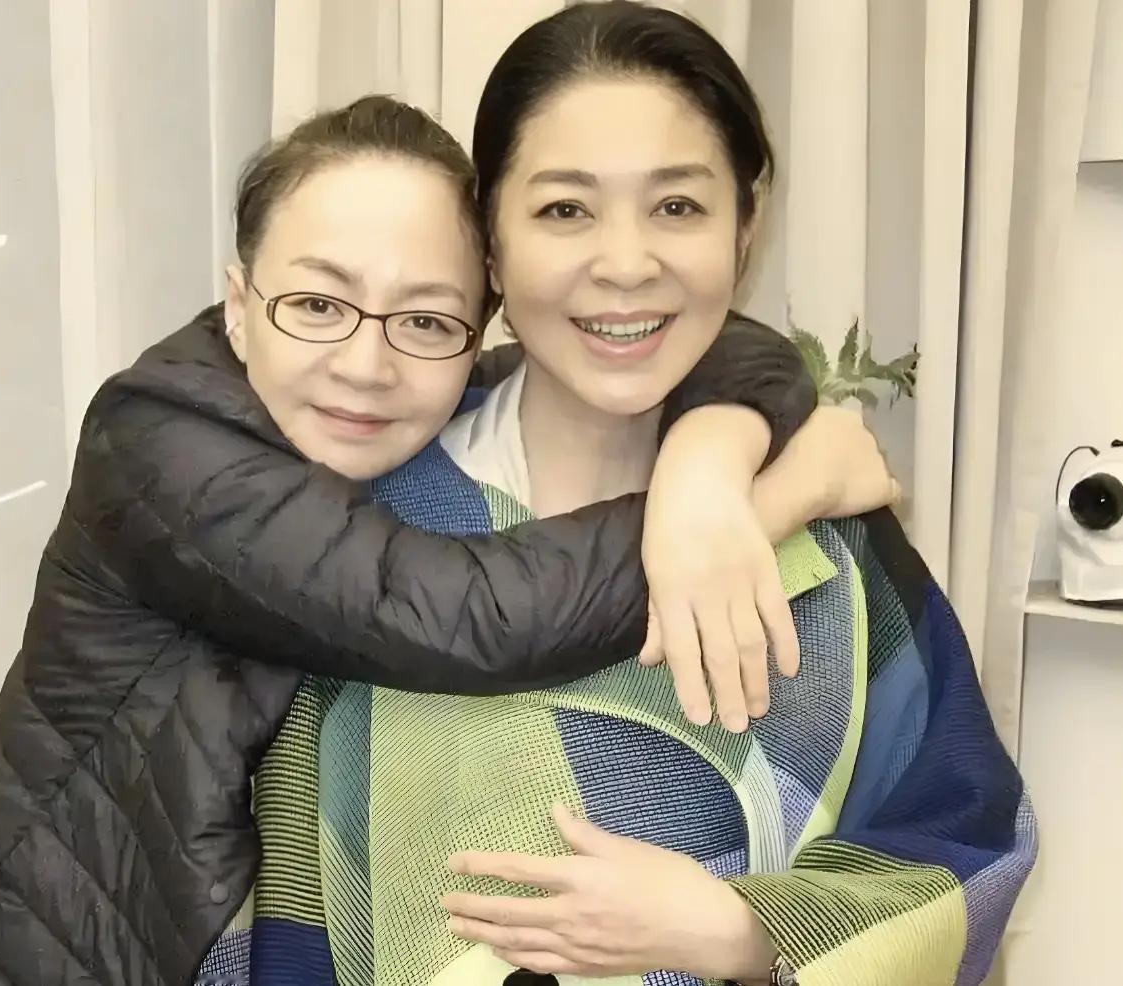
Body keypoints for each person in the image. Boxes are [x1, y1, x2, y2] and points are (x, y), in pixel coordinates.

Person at [0, 97, 897, 986]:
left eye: (425, 318)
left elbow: (706, 348)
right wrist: (769, 500)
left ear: (479, 328)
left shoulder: (411, 395)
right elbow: (467, 616)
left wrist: (713, 447)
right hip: (48, 940)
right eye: (317, 305)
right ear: (238, 303)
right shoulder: (163, 443)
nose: (367, 366)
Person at [264, 6, 1036, 986]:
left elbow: (965, 838)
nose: (625, 264)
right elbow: (284, 886)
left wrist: (739, 928)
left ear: (745, 229)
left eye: (677, 206)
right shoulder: (361, 521)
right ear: (490, 243)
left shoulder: (828, 537)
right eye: (565, 210)